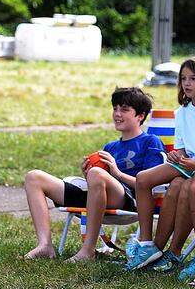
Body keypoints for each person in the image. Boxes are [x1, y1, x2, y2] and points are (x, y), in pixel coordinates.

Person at [125, 55, 195, 282]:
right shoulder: (183, 112)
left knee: (194, 187)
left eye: (193, 79)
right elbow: (184, 150)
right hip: (191, 163)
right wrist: (177, 156)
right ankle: (147, 244)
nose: (186, 83)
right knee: (143, 179)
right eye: (183, 78)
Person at [22, 86, 164, 262]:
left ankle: (87, 250)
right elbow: (98, 178)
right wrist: (88, 173)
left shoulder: (150, 141)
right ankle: (44, 245)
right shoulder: (111, 147)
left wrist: (116, 173)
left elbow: (152, 185)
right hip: (98, 195)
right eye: (115, 108)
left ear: (140, 116)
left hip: (129, 199)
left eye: (125, 109)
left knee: (97, 173)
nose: (117, 114)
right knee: (34, 177)